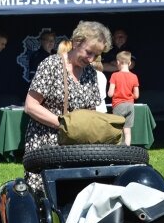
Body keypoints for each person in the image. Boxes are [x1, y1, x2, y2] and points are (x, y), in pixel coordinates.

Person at [23, 21, 111, 192]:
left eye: (96, 55)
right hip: (46, 147)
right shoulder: (51, 65)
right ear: (76, 42)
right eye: (88, 52)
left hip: (76, 149)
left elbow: (90, 112)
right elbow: (31, 106)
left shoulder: (90, 73)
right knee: (44, 201)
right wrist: (65, 125)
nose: (91, 59)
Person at [108, 51, 140, 144]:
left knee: (118, 128)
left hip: (118, 105)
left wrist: (111, 93)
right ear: (130, 63)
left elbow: (110, 94)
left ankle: (119, 149)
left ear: (118, 62)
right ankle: (127, 148)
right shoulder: (134, 76)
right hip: (130, 105)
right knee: (127, 129)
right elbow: (137, 95)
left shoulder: (114, 75)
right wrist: (129, 96)